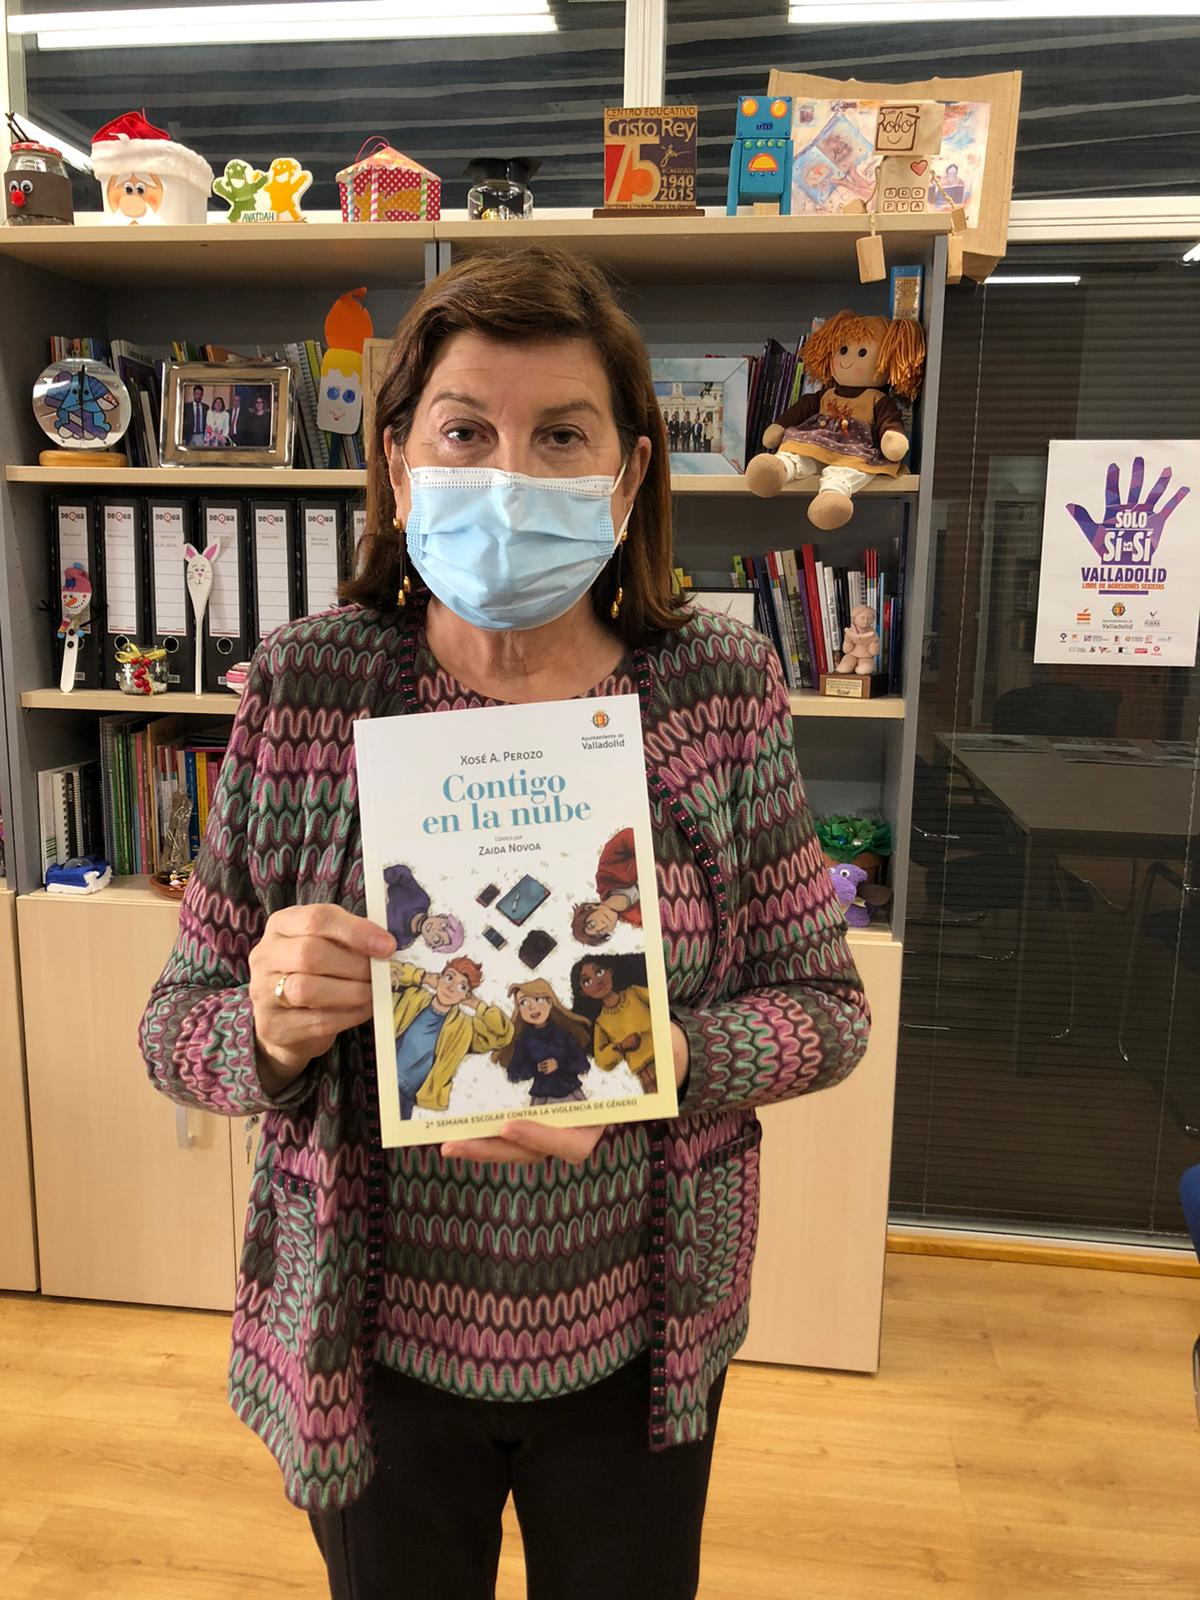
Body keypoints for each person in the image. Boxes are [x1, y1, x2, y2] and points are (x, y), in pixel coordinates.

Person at [139, 244, 869, 1600]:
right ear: (400, 461)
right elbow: (174, 1030)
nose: (511, 475)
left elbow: (829, 1013)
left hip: (640, 1344)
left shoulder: (719, 687)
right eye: (467, 431)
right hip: (374, 1351)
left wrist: (659, 1056)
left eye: (562, 436)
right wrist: (268, 1026)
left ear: (629, 473)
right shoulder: (307, 688)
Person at [389, 956, 511, 1119]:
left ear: (466, 995)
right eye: (449, 977)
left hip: (405, 1098)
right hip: (381, 1072)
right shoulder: (412, 996)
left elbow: (503, 1035)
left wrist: (478, 1005)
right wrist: (423, 977)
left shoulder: (464, 1028)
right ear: (439, 978)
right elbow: (384, 971)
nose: (451, 987)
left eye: (461, 986)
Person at [493, 979, 593, 1104]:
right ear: (519, 1009)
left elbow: (583, 1064)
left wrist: (558, 1065)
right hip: (542, 1099)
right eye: (523, 1002)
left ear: (549, 1002)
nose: (532, 1007)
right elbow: (513, 1073)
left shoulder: (563, 1034)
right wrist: (536, 1068)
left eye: (538, 999)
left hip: (570, 1094)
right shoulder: (524, 1041)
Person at [570, 952, 657, 1094]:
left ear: (610, 972)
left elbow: (660, 1001)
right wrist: (622, 1046)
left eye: (599, 972)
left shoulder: (634, 993)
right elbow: (601, 1060)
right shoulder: (601, 1022)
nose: (597, 981)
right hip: (645, 1070)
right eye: (587, 981)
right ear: (583, 992)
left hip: (668, 1048)